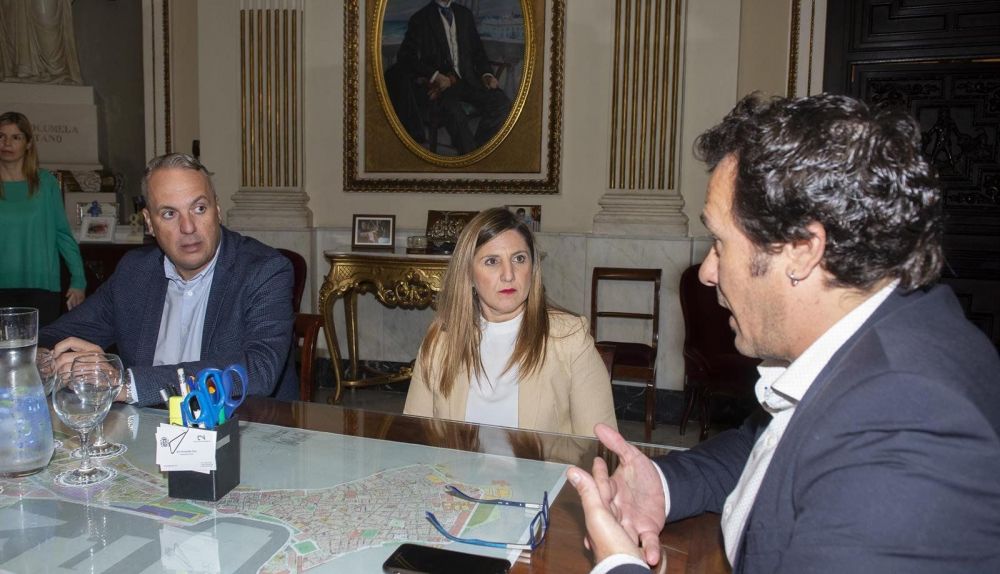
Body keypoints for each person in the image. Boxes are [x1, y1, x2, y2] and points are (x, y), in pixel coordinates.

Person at [567, 93, 1000, 573]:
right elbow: (766, 446)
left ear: (801, 250)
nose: (707, 272)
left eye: (719, 243)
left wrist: (618, 565)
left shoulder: (906, 424)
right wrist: (662, 486)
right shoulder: (878, 341)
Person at [40, 153, 298, 407]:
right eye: (169, 214)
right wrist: (46, 359)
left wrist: (126, 384)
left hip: (241, 426)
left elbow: (259, 370)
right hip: (149, 426)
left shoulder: (263, 270)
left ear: (217, 211)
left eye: (199, 208)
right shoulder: (135, 272)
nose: (188, 227)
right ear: (149, 223)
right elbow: (56, 334)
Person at [404, 207, 617, 437]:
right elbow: (413, 438)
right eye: (492, 261)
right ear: (468, 275)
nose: (509, 274)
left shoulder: (570, 339)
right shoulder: (441, 341)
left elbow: (600, 445)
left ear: (532, 269)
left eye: (519, 259)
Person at [386, 0, 512, 155]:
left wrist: (487, 74)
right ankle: (469, 156)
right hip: (442, 87)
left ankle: (477, 151)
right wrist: (435, 75)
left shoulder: (465, 15)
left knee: (502, 103)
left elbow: (478, 52)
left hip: (469, 81)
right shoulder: (421, 18)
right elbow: (406, 57)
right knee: (455, 113)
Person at [0, 111, 86, 326]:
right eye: (1, 136)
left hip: (41, 285)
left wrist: (78, 279)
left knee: (42, 347)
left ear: (28, 143)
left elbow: (62, 234)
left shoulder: (45, 183)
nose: (7, 143)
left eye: (16, 137)